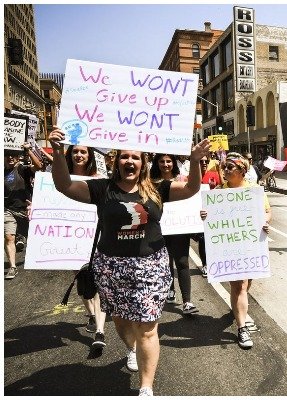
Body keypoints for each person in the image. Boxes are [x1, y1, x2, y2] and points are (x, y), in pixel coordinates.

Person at [48, 127, 210, 396]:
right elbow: (64, 186)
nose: (130, 162)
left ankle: (146, 387)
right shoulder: (102, 189)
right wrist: (56, 151)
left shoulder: (157, 188)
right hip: (112, 268)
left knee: (147, 327)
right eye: (124, 157)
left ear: (143, 162)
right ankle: (130, 349)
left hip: (151, 267)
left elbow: (192, 188)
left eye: (135, 157)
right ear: (116, 162)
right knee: (122, 321)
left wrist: (194, 161)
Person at [200, 152, 271, 349]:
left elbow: (266, 211)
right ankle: (242, 328)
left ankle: (238, 307)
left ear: (242, 170)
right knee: (238, 285)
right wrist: (205, 214)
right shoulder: (218, 193)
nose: (225, 170)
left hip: (251, 245)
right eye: (225, 167)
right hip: (230, 247)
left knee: (246, 283)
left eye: (230, 167)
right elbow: (209, 218)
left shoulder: (255, 191)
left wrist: (265, 222)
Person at [65, 144, 108, 349]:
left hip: (95, 234)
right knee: (82, 281)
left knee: (97, 281)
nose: (79, 155)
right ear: (70, 154)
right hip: (70, 237)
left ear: (89, 155)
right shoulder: (59, 178)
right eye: (75, 151)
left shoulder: (98, 178)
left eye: (83, 152)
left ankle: (100, 331)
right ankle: (91, 315)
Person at [150, 153, 199, 315]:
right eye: (162, 161)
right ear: (157, 163)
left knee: (182, 262)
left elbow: (193, 200)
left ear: (173, 163)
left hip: (180, 229)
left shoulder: (183, 181)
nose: (165, 164)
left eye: (168, 161)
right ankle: (170, 290)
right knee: (165, 262)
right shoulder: (149, 183)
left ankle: (187, 301)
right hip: (159, 230)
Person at [4, 143, 42, 279]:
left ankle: (40, 255)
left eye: (13, 155)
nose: (10, 157)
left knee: (34, 236)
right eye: (7, 155)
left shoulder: (22, 169)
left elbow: (38, 166)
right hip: (7, 210)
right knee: (9, 237)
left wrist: (28, 150)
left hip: (25, 209)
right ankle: (12, 267)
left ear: (17, 157)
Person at [197, 155, 223, 277]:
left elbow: (222, 187)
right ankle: (205, 264)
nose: (203, 163)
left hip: (212, 213)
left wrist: (219, 171)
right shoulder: (191, 177)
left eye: (206, 161)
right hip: (197, 214)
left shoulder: (213, 174)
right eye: (201, 161)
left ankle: (214, 262)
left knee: (213, 239)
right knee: (202, 239)